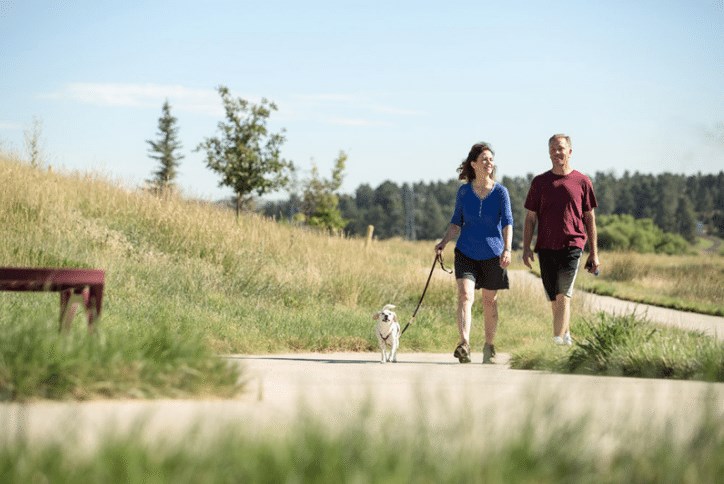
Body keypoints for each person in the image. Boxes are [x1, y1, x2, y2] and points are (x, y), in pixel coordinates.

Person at [435, 142, 513, 364]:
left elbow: (508, 222)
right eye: (484, 159)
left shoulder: (500, 192)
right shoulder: (464, 192)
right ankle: (464, 344)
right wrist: (443, 243)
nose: (489, 163)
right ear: (474, 164)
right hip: (466, 252)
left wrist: (507, 248)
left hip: (493, 253)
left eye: (491, 159)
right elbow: (455, 223)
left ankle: (489, 346)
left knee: (489, 301)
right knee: (465, 295)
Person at [522, 134, 600, 345]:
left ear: (570, 152)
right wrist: (526, 248)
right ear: (549, 153)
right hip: (546, 247)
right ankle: (565, 336)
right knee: (555, 299)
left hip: (572, 245)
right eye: (553, 149)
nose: (557, 153)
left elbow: (589, 218)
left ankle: (555, 343)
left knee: (563, 295)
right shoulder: (540, 182)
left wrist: (594, 253)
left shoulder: (582, 181)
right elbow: (530, 218)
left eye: (561, 148)